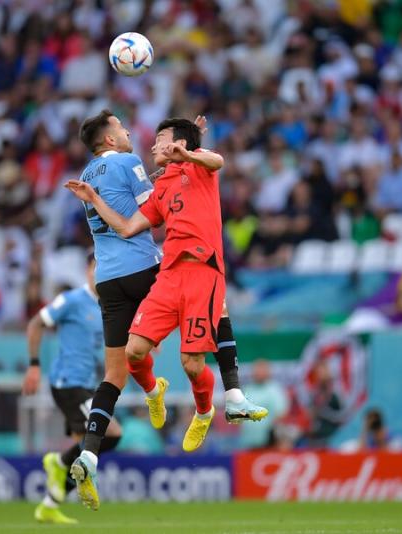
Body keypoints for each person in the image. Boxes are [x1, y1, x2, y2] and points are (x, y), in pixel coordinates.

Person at [64, 110, 263, 511]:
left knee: (173, 366)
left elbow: (215, 161)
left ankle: (202, 407)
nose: (148, 142)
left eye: (161, 140)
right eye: (123, 129)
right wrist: (99, 197)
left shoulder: (194, 167)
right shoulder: (146, 175)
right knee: (141, 350)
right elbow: (133, 219)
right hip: (161, 271)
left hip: (163, 271)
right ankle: (198, 391)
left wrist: (189, 149)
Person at [21, 252, 121, 525]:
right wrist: (33, 364)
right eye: (96, 267)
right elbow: (36, 323)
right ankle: (58, 461)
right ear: (88, 270)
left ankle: (49, 505)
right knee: (110, 432)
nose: (100, 273)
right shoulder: (73, 300)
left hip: (87, 385)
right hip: (68, 383)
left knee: (85, 448)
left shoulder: (108, 305)